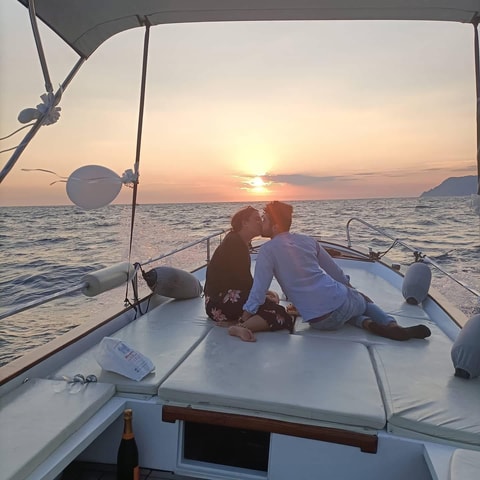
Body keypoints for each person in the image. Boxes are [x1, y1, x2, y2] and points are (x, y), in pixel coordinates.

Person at [242, 201, 431, 341]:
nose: (261, 223)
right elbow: (335, 273)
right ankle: (391, 325)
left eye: (264, 220)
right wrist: (352, 290)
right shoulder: (309, 241)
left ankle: (368, 324)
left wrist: (244, 318)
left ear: (275, 226)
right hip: (340, 305)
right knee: (359, 300)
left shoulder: (267, 251)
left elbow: (259, 290)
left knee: (342, 312)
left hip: (319, 322)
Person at [204, 206, 293, 342]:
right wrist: (263, 295)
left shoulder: (237, 240)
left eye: (261, 219)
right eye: (256, 219)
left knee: (270, 302)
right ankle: (239, 325)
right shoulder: (235, 243)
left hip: (220, 301)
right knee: (280, 314)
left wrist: (263, 293)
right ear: (244, 223)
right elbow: (243, 281)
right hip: (219, 304)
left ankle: (238, 322)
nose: (260, 222)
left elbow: (241, 279)